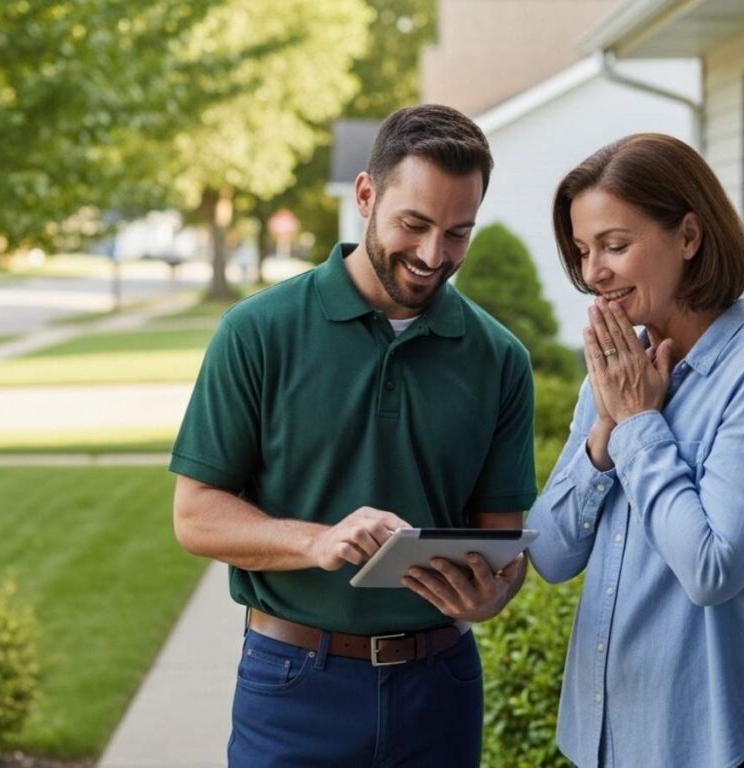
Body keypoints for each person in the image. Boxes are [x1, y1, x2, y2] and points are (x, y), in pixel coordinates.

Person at [170, 104, 536, 767]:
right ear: (365, 196)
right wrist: (318, 540)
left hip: (440, 687)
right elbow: (196, 516)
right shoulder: (258, 332)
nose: (433, 255)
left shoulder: (499, 357)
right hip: (292, 686)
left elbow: (502, 541)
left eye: (458, 233)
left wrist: (494, 593)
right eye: (414, 224)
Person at [527, 133, 744, 768]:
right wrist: (603, 436)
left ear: (688, 236)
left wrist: (636, 427)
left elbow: (712, 568)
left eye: (615, 245)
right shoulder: (612, 375)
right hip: (601, 740)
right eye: (582, 251)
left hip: (713, 746)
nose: (592, 273)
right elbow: (547, 552)